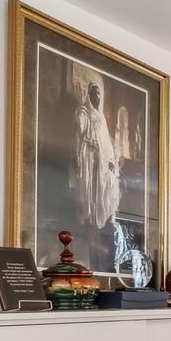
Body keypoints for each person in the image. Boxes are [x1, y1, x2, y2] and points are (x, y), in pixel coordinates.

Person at [72, 77, 122, 233]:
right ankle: (89, 216)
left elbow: (106, 141)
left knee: (102, 184)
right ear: (89, 95)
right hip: (89, 155)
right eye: (94, 93)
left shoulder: (101, 117)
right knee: (89, 184)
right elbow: (79, 130)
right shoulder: (83, 111)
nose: (97, 97)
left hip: (102, 158)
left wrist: (111, 159)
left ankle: (98, 218)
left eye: (99, 94)